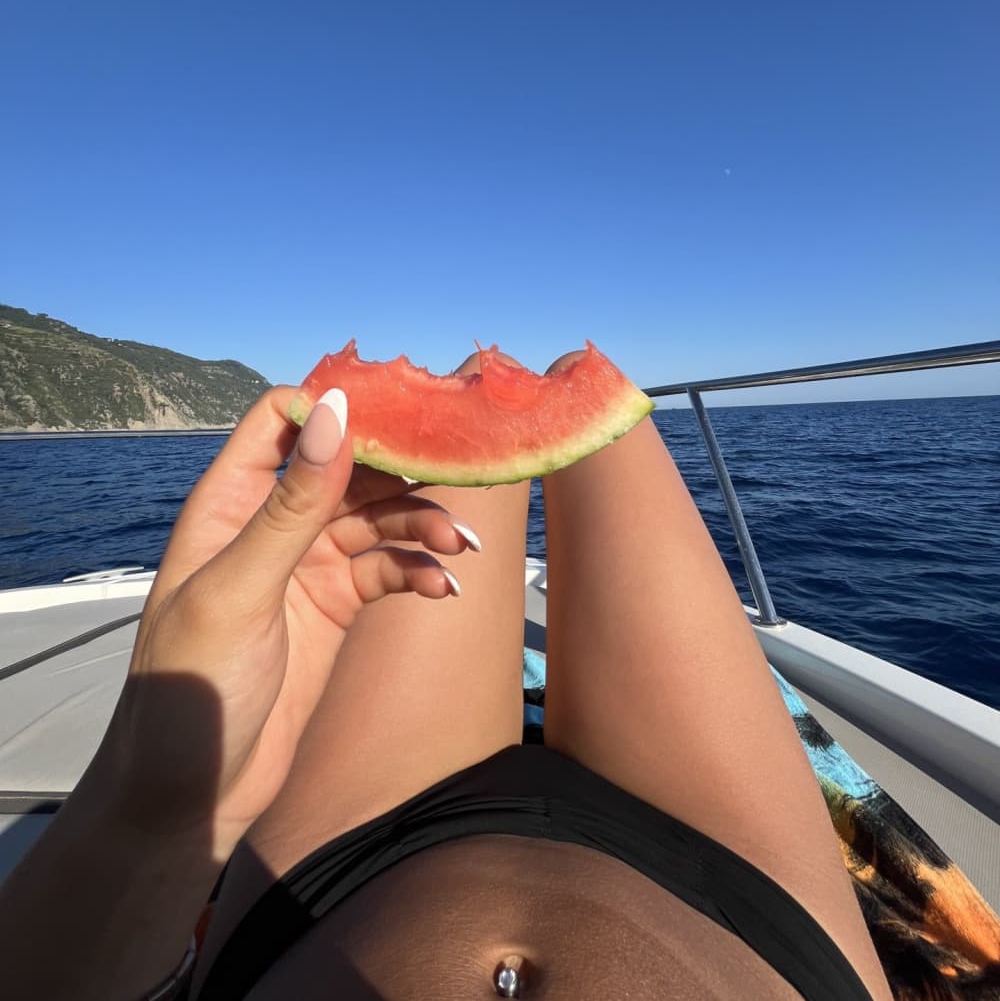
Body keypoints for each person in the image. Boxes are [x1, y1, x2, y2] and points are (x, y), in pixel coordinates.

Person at [0, 350, 893, 1001]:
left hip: (329, 881)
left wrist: (159, 809)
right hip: (748, 914)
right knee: (587, 406)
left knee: (496, 388)